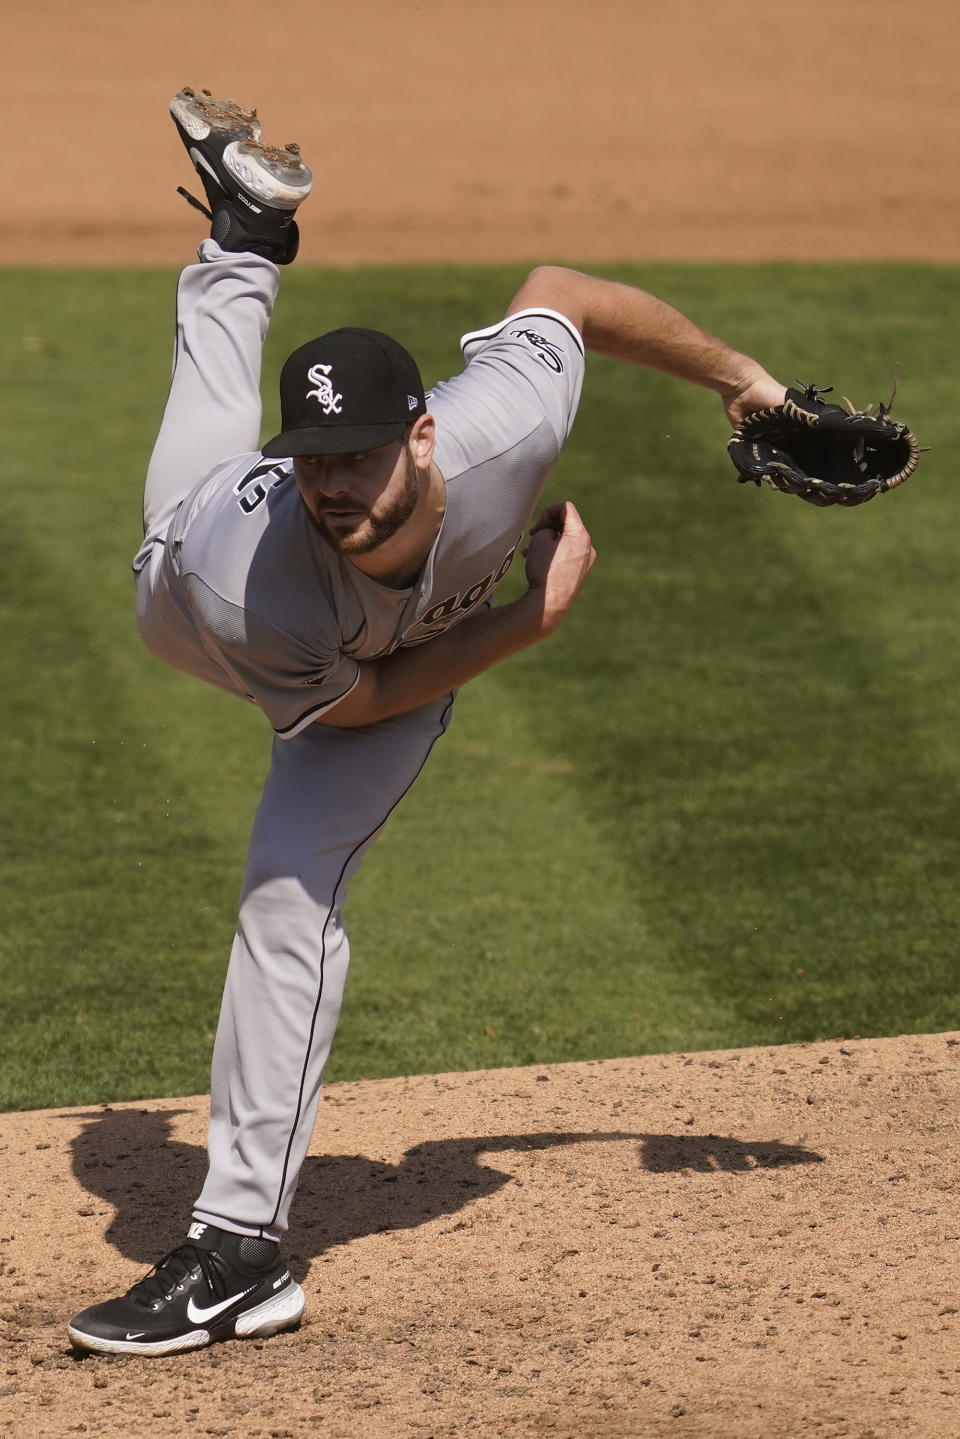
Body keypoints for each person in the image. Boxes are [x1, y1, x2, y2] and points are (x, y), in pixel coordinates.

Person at [67, 89, 786, 1357]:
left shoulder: (506, 425)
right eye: (315, 458)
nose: (332, 481)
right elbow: (362, 701)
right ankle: (238, 250)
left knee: (289, 897)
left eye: (353, 453)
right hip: (230, 618)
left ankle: (239, 1250)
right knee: (183, 485)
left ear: (423, 431)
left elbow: (564, 288)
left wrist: (745, 382)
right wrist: (528, 623)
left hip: (386, 648)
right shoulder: (253, 579)